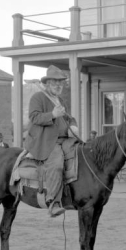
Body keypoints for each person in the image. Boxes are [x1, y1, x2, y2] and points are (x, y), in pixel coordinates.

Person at [24, 65, 79, 218]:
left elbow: (69, 117)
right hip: (47, 141)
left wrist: (73, 125)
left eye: (61, 82)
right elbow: (34, 117)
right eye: (55, 82)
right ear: (47, 83)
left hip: (65, 139)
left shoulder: (59, 100)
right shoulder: (38, 98)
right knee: (57, 164)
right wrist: (53, 114)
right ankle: (53, 202)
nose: (58, 85)